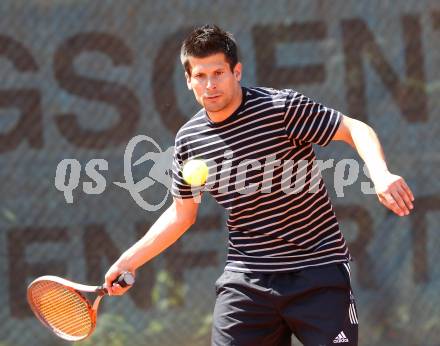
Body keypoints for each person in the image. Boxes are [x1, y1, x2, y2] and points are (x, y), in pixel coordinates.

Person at [104, 25, 414, 346]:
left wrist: (380, 174)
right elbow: (182, 214)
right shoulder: (189, 140)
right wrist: (129, 260)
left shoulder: (281, 109)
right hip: (247, 279)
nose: (210, 85)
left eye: (218, 73)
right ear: (188, 80)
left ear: (236, 72)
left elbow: (354, 129)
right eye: (200, 75)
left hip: (317, 270)